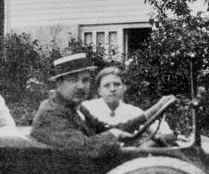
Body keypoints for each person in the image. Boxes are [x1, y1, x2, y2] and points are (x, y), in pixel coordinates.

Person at [30, 53, 173, 157]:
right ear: (59, 83)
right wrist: (115, 135)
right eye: (73, 80)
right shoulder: (51, 110)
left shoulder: (77, 108)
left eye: (85, 80)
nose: (81, 86)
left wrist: (151, 112)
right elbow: (84, 148)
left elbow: (106, 130)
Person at [83, 66, 175, 143]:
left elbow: (167, 134)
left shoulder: (133, 111)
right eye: (107, 85)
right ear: (99, 91)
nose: (112, 89)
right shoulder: (88, 108)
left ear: (124, 87)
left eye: (116, 84)